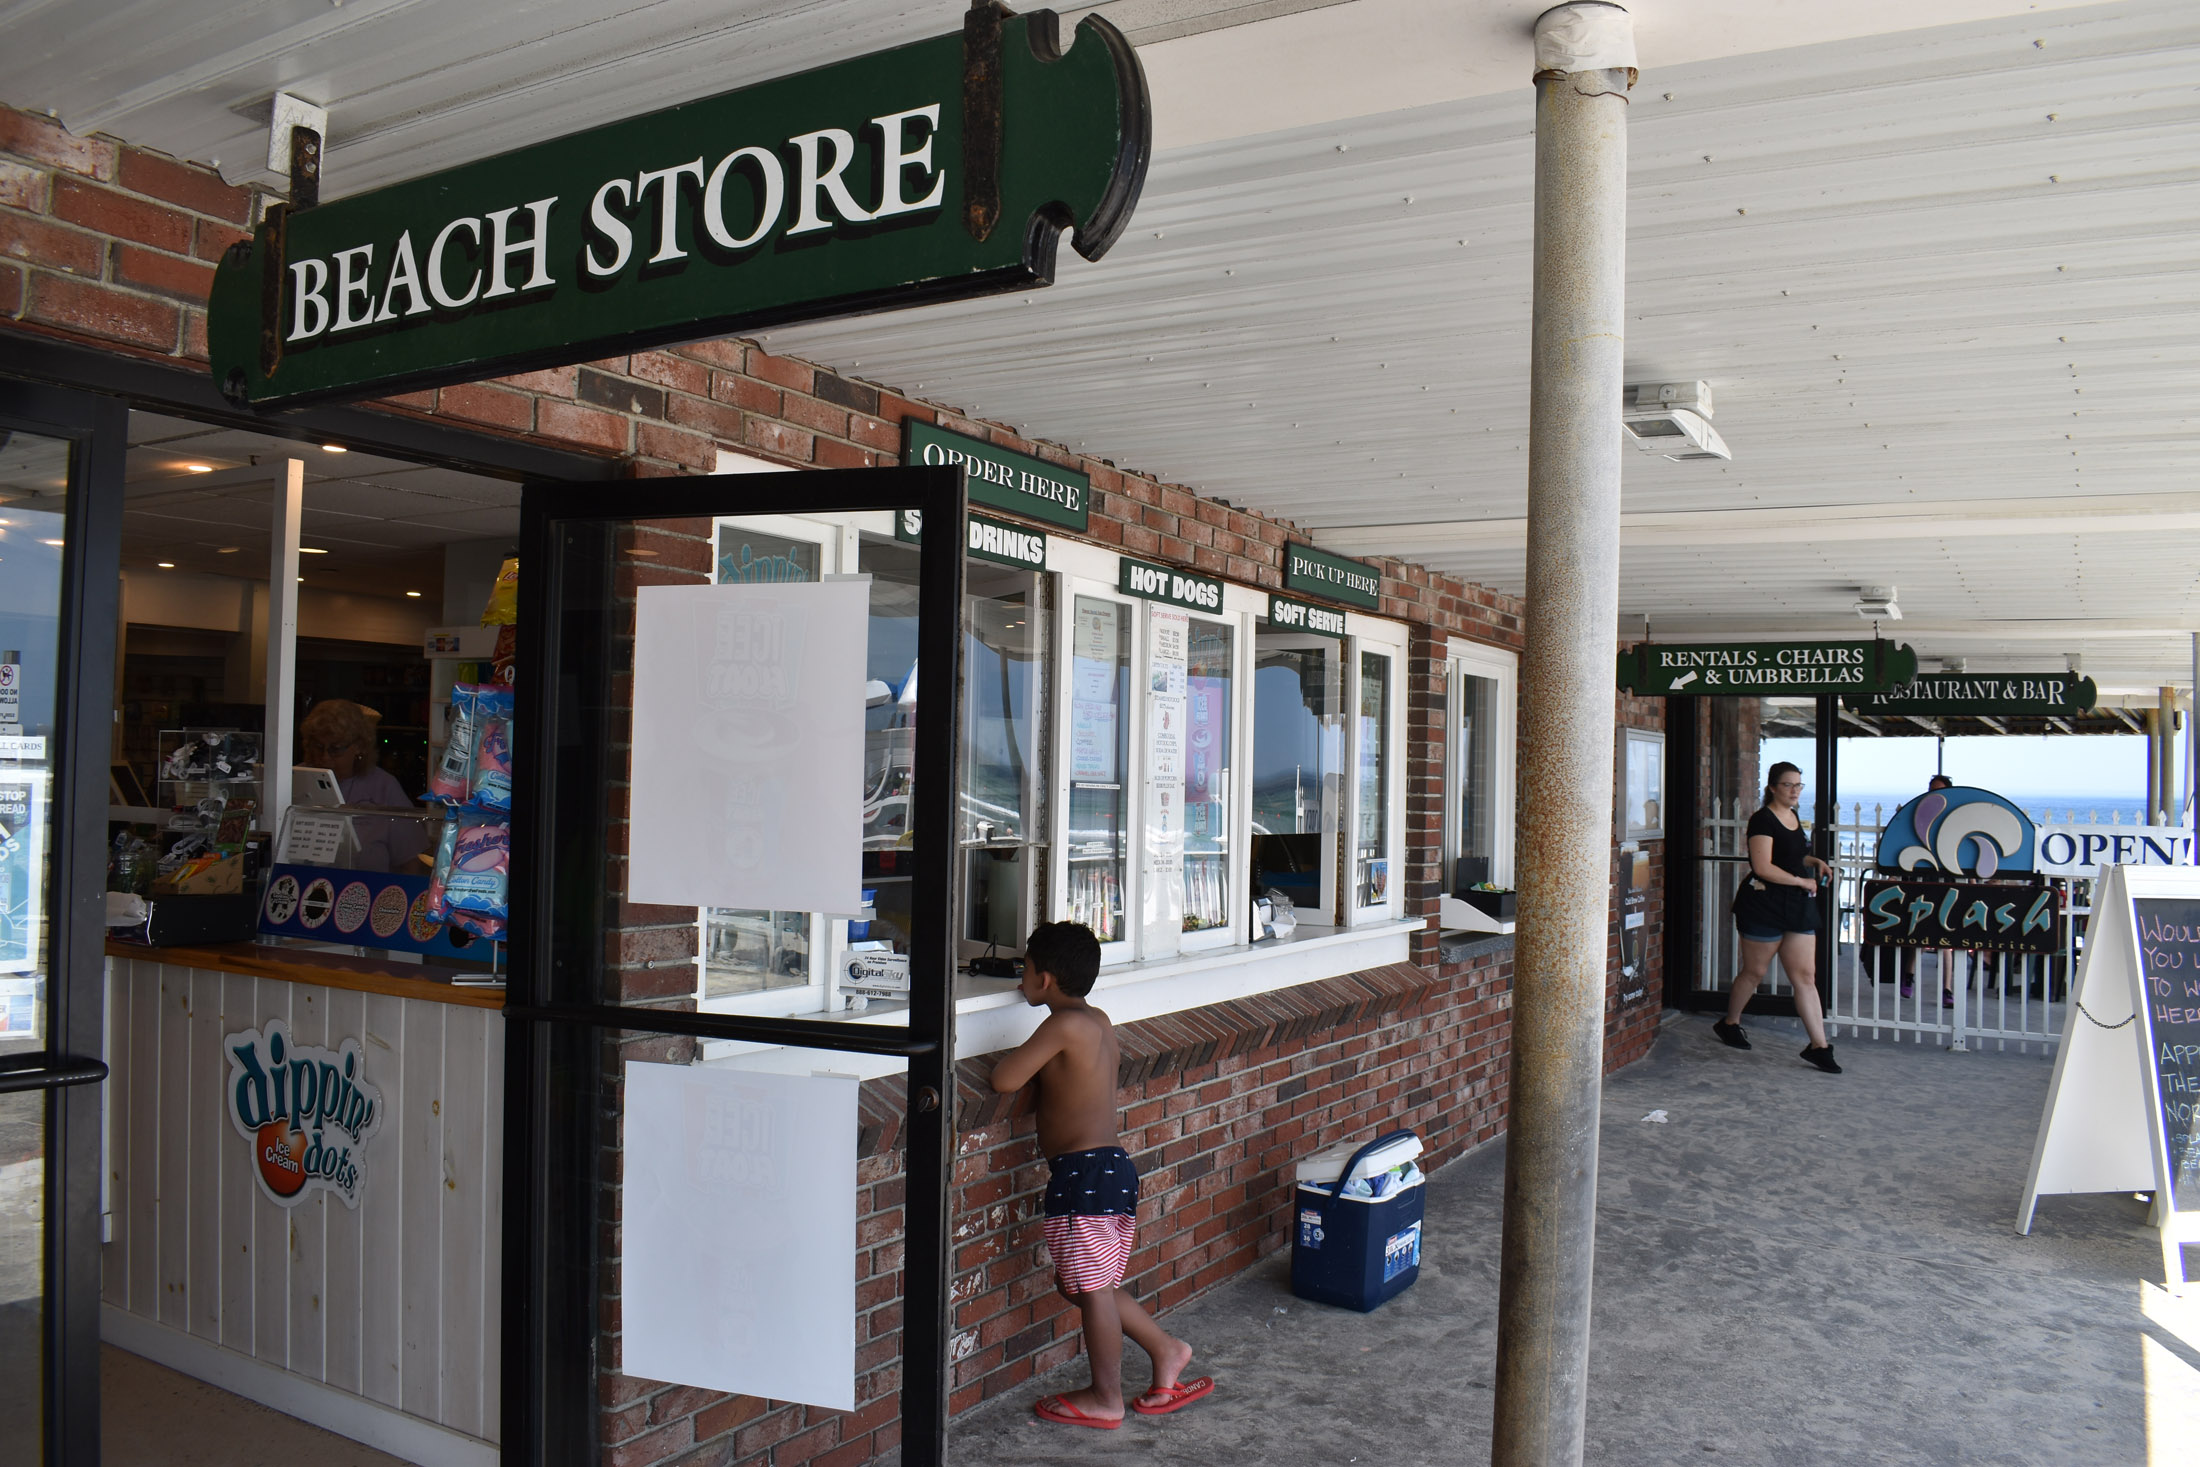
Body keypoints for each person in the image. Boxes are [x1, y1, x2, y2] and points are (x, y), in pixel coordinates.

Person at [989, 921, 1211, 1429]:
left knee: (1089, 1291)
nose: (1019, 977)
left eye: (1022, 969)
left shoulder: (1063, 1025)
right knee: (1088, 1288)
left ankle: (1106, 1397)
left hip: (1081, 1177)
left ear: (1044, 979)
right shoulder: (1099, 1020)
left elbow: (1004, 1079)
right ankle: (1165, 1348)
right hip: (1112, 1171)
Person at [1716, 761, 1842, 1073]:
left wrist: (1814, 861)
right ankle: (1730, 1023)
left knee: (1805, 977)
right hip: (1764, 902)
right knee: (1755, 972)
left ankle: (1819, 1047)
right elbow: (1763, 867)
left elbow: (1791, 855)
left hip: (1796, 905)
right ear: (1773, 787)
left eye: (1799, 785)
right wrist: (1802, 881)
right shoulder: (1762, 819)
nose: (1795, 790)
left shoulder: (1793, 815)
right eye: (1788, 785)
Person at [299, 699, 429, 873]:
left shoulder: (384, 786)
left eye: (335, 749)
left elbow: (412, 862)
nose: (325, 757)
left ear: (359, 747)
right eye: (318, 747)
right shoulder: (298, 777)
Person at [1892, 774, 1957, 1004]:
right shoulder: (1920, 814)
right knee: (1918, 933)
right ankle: (1908, 977)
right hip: (1922, 879)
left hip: (1946, 882)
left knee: (1945, 940)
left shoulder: (1953, 816)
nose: (1933, 793)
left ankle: (1947, 989)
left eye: (1938, 789)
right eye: (1931, 789)